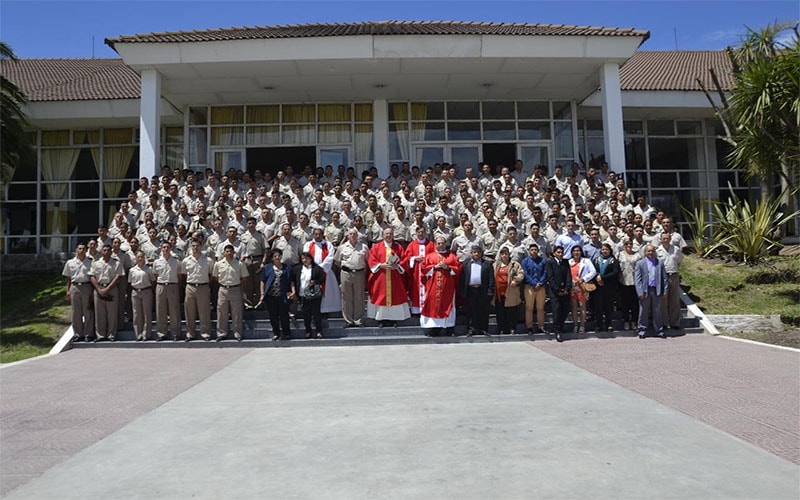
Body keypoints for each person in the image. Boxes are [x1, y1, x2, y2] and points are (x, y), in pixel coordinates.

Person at [419, 236, 462, 337]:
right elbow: (424, 269)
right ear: (435, 244)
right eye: (438, 243)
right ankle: (434, 329)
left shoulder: (452, 256)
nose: (441, 245)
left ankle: (448, 328)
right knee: (434, 305)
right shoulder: (429, 256)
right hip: (433, 286)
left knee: (448, 306)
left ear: (445, 244)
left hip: (448, 287)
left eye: (442, 243)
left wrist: (447, 267)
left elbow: (458, 268)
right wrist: (435, 267)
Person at [367, 228, 410, 327]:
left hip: (395, 277)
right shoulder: (376, 247)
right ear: (383, 235)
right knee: (381, 297)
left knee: (395, 297)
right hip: (381, 276)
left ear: (393, 235)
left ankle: (394, 319)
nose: (388, 235)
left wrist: (397, 266)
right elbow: (372, 260)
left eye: (390, 233)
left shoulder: (398, 247)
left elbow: (404, 260)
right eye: (386, 233)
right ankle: (382, 319)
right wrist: (381, 265)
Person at [213, 244, 249, 341]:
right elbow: (215, 277)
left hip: (235, 289)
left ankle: (237, 333)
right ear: (224, 253)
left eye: (231, 251)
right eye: (227, 251)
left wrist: (236, 284)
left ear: (234, 252)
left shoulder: (239, 264)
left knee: (236, 312)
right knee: (221, 312)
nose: (229, 253)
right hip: (223, 289)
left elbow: (244, 277)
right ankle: (221, 333)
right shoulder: (218, 264)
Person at [88, 243, 125, 342]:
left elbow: (118, 277)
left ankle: (111, 335)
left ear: (111, 251)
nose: (106, 252)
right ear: (101, 252)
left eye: (108, 250)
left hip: (111, 289)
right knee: (99, 314)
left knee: (112, 314)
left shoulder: (116, 263)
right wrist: (99, 289)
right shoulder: (96, 263)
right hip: (99, 288)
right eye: (104, 250)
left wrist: (107, 289)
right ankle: (100, 335)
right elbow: (92, 276)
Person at [179, 238, 214, 341]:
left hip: (203, 286)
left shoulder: (208, 260)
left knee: (204, 311)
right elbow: (184, 275)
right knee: (189, 311)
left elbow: (211, 274)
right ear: (190, 247)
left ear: (201, 246)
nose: (195, 248)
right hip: (190, 286)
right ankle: (190, 333)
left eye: (197, 246)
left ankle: (205, 333)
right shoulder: (186, 261)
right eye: (193, 246)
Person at [334, 228, 369, 327]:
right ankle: (348, 320)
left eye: (354, 234)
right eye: (350, 234)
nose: (352, 236)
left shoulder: (364, 247)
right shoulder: (342, 247)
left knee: (359, 297)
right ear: (347, 236)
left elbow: (368, 260)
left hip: (359, 273)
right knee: (346, 297)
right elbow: (337, 261)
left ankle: (358, 320)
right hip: (346, 273)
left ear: (357, 235)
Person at [303, 228, 342, 315]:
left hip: (326, 272)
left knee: (328, 292)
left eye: (319, 234)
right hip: (311, 271)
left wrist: (320, 268)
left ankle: (326, 311)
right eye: (315, 234)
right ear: (313, 235)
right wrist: (313, 269)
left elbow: (331, 256)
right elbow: (305, 256)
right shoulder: (308, 244)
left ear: (322, 235)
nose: (317, 236)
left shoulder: (328, 245)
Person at [459, 245, 495, 337]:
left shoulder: (487, 264)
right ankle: (471, 329)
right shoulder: (466, 263)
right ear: (471, 253)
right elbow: (462, 278)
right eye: (474, 252)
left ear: (481, 254)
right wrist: (462, 291)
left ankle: (483, 329)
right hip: (470, 290)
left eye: (478, 252)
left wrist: (490, 289)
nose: (476, 254)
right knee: (471, 310)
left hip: (482, 290)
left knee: (483, 310)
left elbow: (491, 278)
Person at [634, 244, 668, 339]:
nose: (650, 253)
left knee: (657, 311)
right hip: (645, 290)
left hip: (656, 290)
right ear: (645, 252)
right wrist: (640, 292)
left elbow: (664, 278)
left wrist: (665, 290)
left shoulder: (659, 263)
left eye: (652, 251)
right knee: (643, 311)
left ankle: (659, 330)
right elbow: (637, 279)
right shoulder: (640, 263)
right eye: (648, 251)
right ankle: (642, 330)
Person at [62, 243, 95, 342]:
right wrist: (68, 290)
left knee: (88, 311)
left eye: (83, 249)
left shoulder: (90, 262)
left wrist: (93, 291)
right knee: (76, 312)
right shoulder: (70, 262)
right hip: (75, 287)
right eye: (79, 248)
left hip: (87, 286)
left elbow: (93, 277)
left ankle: (88, 334)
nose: (81, 250)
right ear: (76, 249)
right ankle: (78, 333)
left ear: (86, 250)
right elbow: (68, 278)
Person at [258, 249, 292, 340]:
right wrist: (262, 294)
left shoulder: (287, 267)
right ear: (272, 258)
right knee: (273, 316)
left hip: (283, 295)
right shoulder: (267, 268)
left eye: (279, 256)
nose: (277, 258)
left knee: (284, 315)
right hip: (271, 296)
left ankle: (286, 333)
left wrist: (292, 291)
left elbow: (291, 281)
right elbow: (262, 281)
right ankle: (276, 333)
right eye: (275, 256)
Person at [291, 251, 326, 339]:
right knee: (306, 314)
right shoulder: (298, 269)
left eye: (306, 258)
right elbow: (293, 280)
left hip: (314, 295)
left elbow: (322, 278)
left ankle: (319, 331)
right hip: (303, 295)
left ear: (311, 259)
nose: (304, 260)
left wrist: (314, 282)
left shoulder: (316, 268)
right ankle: (308, 330)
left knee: (316, 313)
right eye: (303, 258)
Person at [402, 226, 436, 314]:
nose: (420, 234)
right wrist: (414, 258)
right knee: (415, 289)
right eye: (419, 232)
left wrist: (427, 259)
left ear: (425, 233)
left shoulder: (431, 244)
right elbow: (406, 258)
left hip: (427, 272)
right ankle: (416, 310)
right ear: (416, 233)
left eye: (422, 232)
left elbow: (435, 256)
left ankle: (427, 308)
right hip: (416, 272)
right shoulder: (412, 244)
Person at [153, 241, 182, 341]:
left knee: (174, 310)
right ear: (161, 249)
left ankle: (176, 333)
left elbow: (179, 275)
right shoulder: (157, 262)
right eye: (164, 247)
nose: (165, 249)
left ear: (171, 248)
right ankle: (162, 333)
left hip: (172, 285)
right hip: (161, 286)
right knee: (161, 311)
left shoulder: (176, 261)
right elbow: (155, 275)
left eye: (167, 247)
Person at [493, 247, 524, 335]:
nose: (504, 256)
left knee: (511, 311)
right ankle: (502, 329)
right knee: (500, 312)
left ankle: (512, 328)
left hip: (510, 291)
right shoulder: (495, 265)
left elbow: (521, 273)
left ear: (509, 255)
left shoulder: (515, 264)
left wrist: (516, 280)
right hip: (499, 292)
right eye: (502, 254)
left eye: (506, 254)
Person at [656, 232, 684, 330]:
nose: (665, 240)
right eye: (663, 238)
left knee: (675, 300)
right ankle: (664, 322)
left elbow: (679, 261)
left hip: (674, 275)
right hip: (663, 276)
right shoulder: (657, 251)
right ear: (660, 239)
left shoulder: (676, 250)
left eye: (667, 238)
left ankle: (675, 322)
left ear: (670, 239)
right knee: (663, 300)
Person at [591, 243, 620, 334]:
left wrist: (602, 278)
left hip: (609, 287)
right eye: (603, 249)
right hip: (598, 287)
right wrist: (597, 278)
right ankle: (599, 325)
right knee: (598, 307)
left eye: (606, 249)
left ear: (610, 250)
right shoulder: (596, 260)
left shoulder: (613, 260)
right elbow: (592, 271)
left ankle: (608, 324)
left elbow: (615, 272)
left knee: (608, 306)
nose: (604, 251)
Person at [568, 246, 597, 336]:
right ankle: (575, 325)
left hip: (582, 286)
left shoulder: (586, 261)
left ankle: (582, 326)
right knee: (574, 307)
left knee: (582, 306)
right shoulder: (569, 262)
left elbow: (593, 272)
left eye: (578, 251)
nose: (576, 253)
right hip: (572, 287)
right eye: (574, 251)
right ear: (572, 252)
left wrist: (584, 279)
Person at [546, 246, 572, 342]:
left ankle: (560, 326)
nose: (560, 254)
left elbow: (568, 276)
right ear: (554, 253)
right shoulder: (550, 262)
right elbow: (550, 277)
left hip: (565, 290)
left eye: (561, 252)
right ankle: (557, 330)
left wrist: (567, 288)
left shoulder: (565, 262)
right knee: (556, 310)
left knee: (565, 309)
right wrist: (558, 290)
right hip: (555, 291)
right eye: (558, 252)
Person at [128, 250, 155, 341]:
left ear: (144, 258)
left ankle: (146, 334)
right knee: (137, 314)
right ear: (136, 258)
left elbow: (152, 280)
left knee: (146, 313)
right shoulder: (132, 270)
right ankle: (138, 334)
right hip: (135, 292)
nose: (140, 259)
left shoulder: (148, 269)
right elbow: (130, 282)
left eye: (142, 257)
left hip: (146, 291)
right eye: (138, 257)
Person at [521, 243, 548, 335]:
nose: (534, 251)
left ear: (538, 251)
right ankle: (529, 327)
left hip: (541, 287)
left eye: (535, 250)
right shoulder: (525, 261)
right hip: (529, 287)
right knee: (529, 308)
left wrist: (540, 283)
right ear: (529, 251)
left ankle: (541, 326)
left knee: (540, 308)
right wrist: (533, 283)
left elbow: (545, 273)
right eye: (532, 250)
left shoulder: (543, 261)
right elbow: (525, 273)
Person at [618, 238, 642, 331]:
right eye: (626, 244)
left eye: (630, 244)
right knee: (625, 303)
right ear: (623, 245)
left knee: (634, 304)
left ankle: (634, 321)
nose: (628, 246)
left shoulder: (637, 255)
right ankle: (626, 321)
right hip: (623, 281)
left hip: (635, 281)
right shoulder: (619, 254)